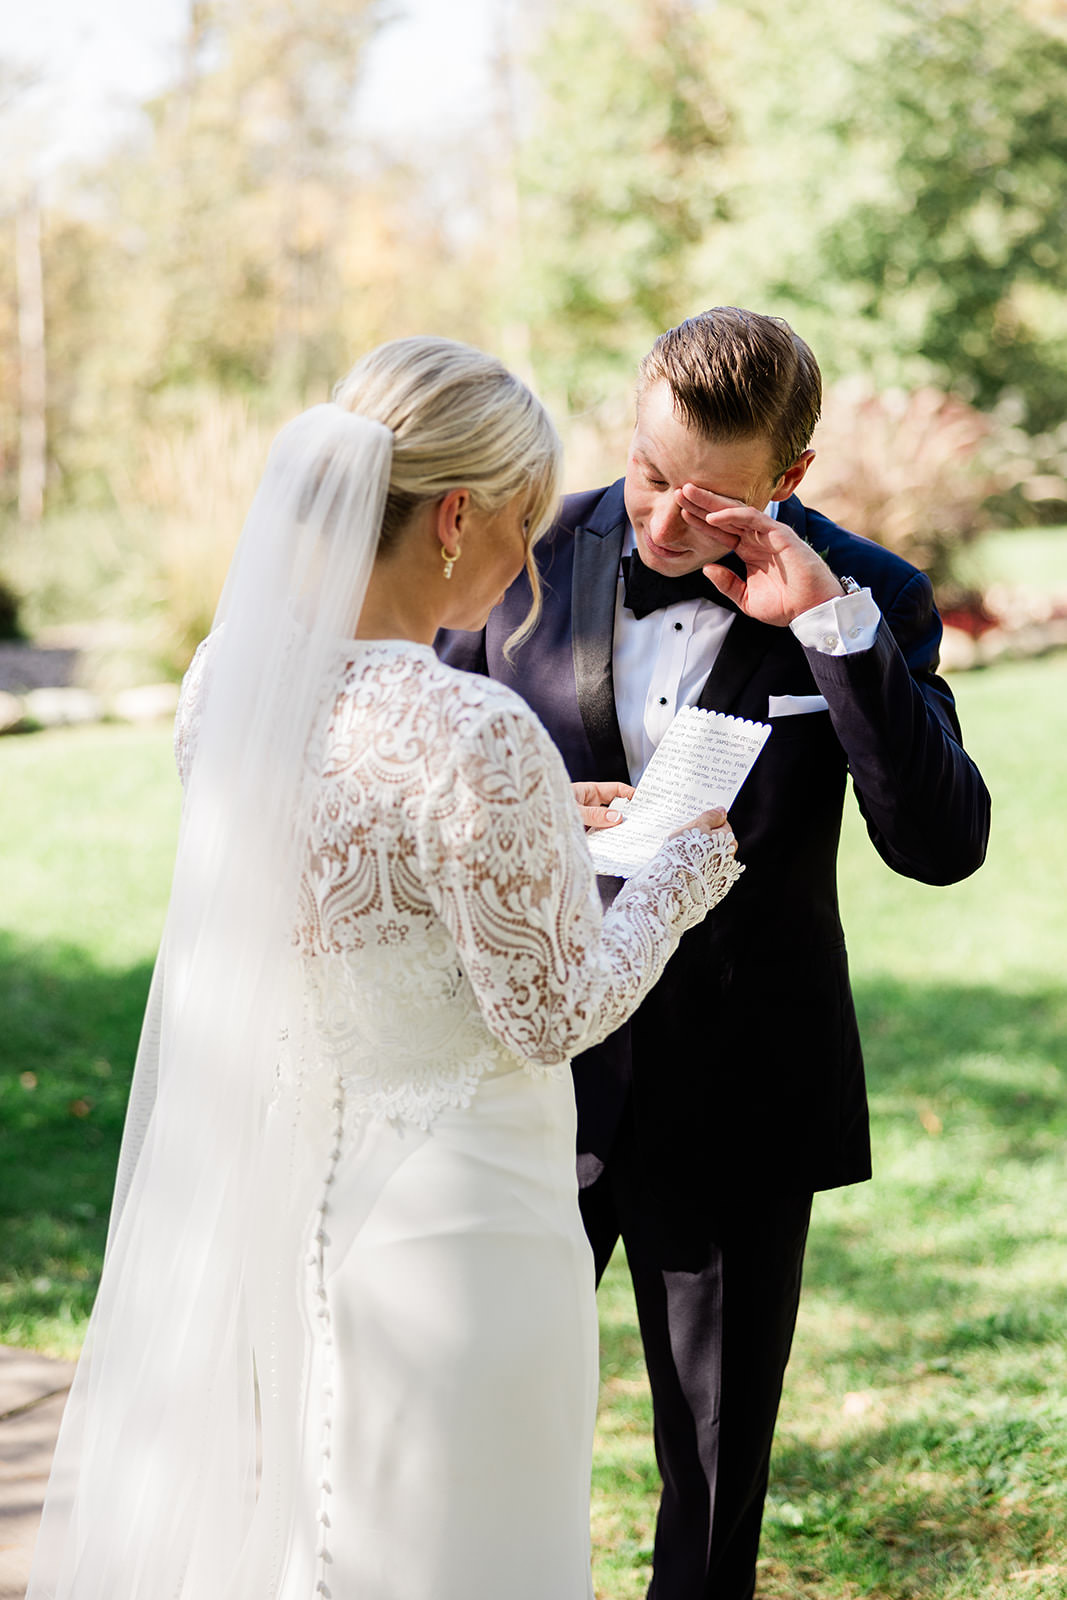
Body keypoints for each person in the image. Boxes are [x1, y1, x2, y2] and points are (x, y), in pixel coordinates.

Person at [26, 336, 744, 1600]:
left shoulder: (224, 685)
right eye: (522, 524)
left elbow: (339, 874)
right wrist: (677, 879)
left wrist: (536, 822)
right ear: (455, 517)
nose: (530, 561)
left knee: (327, 1532)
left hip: (305, 1191)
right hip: (468, 1223)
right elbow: (553, 1011)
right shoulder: (470, 727)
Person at [437, 307, 992, 1600]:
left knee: (711, 1463)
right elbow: (428, 788)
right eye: (647, 472)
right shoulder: (519, 551)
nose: (662, 523)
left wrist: (830, 635)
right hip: (524, 1071)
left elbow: (938, 845)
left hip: (742, 1085)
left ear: (788, 478)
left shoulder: (868, 596)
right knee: (465, 1417)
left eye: (708, 501)